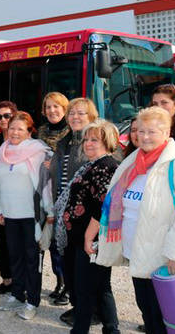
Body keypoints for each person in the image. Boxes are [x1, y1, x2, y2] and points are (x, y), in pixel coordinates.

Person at [94, 106, 175, 334]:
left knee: (165, 321)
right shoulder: (132, 164)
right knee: (149, 315)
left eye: (152, 132)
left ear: (167, 134)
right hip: (138, 255)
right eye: (141, 131)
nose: (144, 137)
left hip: (163, 259)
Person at [54, 119, 120, 334]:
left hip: (90, 239)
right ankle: (111, 329)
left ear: (107, 141)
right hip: (81, 237)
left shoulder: (107, 166)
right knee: (100, 287)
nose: (88, 143)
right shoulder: (91, 165)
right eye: (86, 140)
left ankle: (81, 330)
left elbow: (102, 207)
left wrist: (88, 238)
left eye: (95, 139)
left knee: (86, 289)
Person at [0, 112, 53, 320]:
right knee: (15, 257)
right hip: (10, 214)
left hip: (31, 216)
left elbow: (46, 184)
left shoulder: (40, 152)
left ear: (29, 131)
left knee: (32, 259)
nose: (15, 132)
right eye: (12, 128)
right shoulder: (3, 151)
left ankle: (32, 301)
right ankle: (17, 295)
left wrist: (50, 212)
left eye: (20, 129)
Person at [49, 97, 99, 317]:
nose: (75, 117)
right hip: (65, 216)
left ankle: (91, 311)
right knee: (69, 265)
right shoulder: (64, 142)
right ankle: (78, 307)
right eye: (72, 113)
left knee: (87, 269)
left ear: (91, 117)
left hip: (86, 218)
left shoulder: (96, 140)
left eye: (81, 113)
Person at [36, 92, 70, 302]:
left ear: (64, 109)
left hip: (62, 192)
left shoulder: (70, 132)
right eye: (48, 107)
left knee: (62, 243)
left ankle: (67, 286)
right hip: (44, 191)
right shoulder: (41, 131)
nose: (52, 111)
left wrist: (53, 165)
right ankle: (59, 282)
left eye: (56, 107)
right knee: (50, 242)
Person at [0, 100, 18, 296]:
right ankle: (6, 279)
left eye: (7, 115)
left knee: (16, 241)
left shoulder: (23, 140)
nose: (3, 119)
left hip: (18, 198)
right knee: (0, 240)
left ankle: (19, 279)